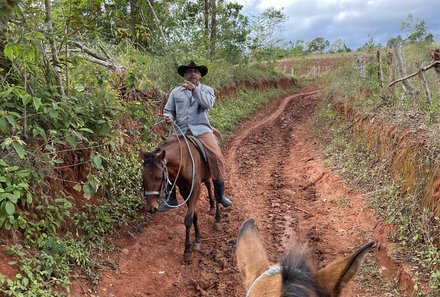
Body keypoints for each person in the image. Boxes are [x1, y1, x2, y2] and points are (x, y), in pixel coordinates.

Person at [158, 61, 232, 212]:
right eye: (189, 71)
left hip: (202, 130)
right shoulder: (175, 92)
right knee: (164, 158)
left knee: (217, 157)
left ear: (199, 75)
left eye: (195, 71)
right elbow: (168, 109)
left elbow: (208, 104)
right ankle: (169, 195)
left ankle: (220, 194)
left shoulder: (207, 90)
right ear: (184, 75)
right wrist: (168, 117)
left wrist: (195, 91)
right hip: (180, 131)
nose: (192, 73)